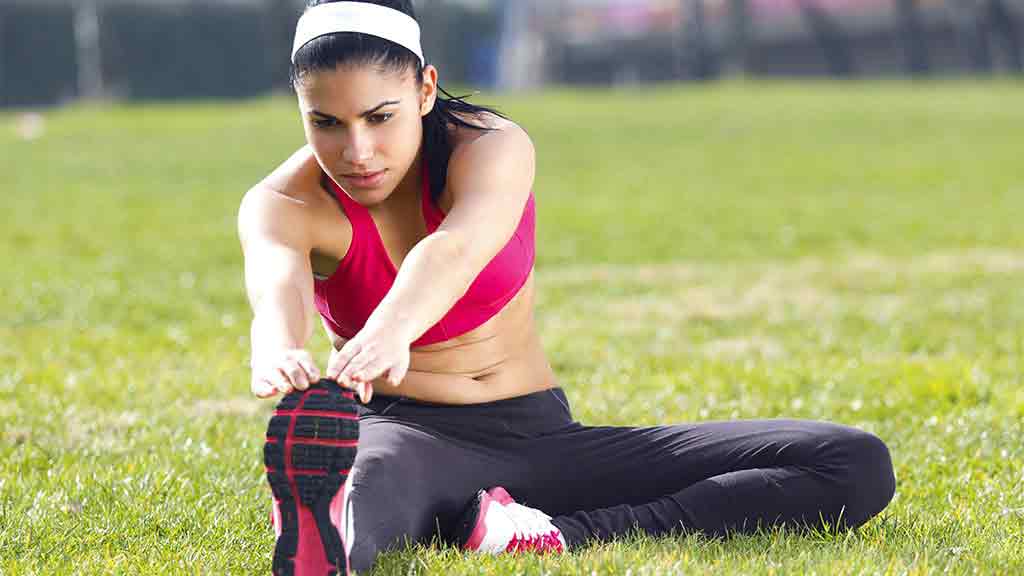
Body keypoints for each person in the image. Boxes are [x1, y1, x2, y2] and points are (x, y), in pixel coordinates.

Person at [238, 2, 896, 574]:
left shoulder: (492, 147)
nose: (357, 151)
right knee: (365, 489)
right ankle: (330, 530)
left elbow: (456, 248)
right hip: (401, 431)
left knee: (851, 462)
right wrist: (276, 348)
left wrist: (389, 328)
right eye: (325, 122)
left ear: (426, 89)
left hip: (540, 437)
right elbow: (277, 289)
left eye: (379, 117)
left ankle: (548, 535)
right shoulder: (282, 203)